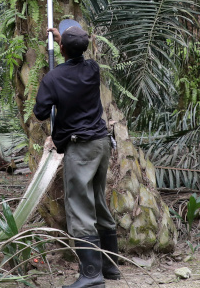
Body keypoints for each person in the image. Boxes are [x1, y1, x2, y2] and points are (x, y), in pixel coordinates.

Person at [33, 19, 121, 288]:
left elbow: (39, 112)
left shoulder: (54, 77)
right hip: (101, 143)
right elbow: (77, 52)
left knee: (80, 208)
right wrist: (64, 39)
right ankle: (110, 266)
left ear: (62, 50)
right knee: (97, 201)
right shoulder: (92, 69)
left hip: (79, 147)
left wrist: (51, 86)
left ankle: (91, 275)